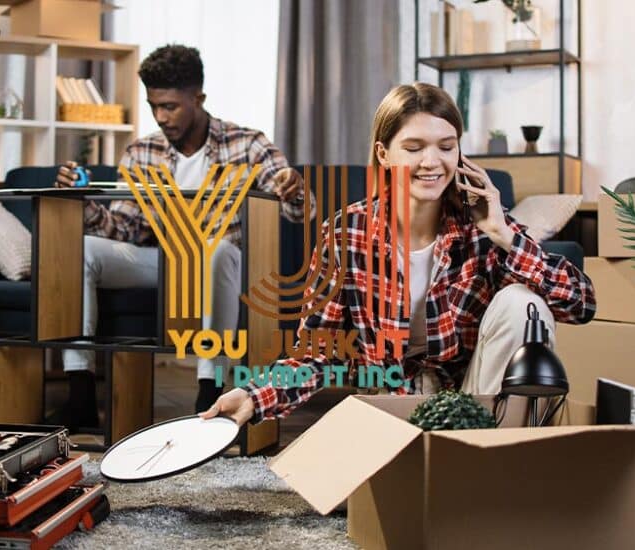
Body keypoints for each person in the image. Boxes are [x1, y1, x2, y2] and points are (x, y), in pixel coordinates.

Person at [201, 82, 596, 426]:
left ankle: (495, 461)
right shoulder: (347, 233)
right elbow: (317, 354)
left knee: (523, 303)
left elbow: (581, 304)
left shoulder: (485, 229)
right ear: (385, 153)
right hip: (391, 406)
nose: (432, 162)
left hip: (476, 405)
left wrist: (503, 235)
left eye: (446, 146)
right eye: (414, 147)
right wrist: (254, 396)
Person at [55, 44, 309, 429]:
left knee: (218, 249)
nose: (161, 117)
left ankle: (209, 389)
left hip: (220, 264)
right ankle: (81, 393)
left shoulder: (249, 143)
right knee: (83, 249)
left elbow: (298, 210)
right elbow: (128, 228)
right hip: (159, 261)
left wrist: (294, 189)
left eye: (170, 106)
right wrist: (81, 204)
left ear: (198, 98)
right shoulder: (142, 152)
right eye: (154, 106)